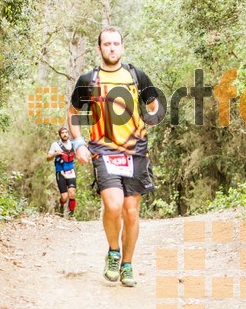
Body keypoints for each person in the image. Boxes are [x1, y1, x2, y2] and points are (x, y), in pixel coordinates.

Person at [67, 27, 165, 286]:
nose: (112, 48)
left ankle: (127, 265)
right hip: (103, 150)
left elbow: (155, 105)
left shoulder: (136, 76)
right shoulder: (89, 80)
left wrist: (150, 117)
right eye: (107, 44)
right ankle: (113, 251)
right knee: (113, 205)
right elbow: (73, 113)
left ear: (122, 47)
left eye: (116, 43)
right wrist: (78, 144)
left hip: (136, 151)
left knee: (131, 211)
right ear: (99, 49)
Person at [47, 125, 77, 218]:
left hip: (71, 171)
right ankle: (61, 207)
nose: (65, 134)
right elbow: (48, 158)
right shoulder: (55, 145)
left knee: (72, 193)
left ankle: (71, 215)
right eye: (62, 133)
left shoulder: (73, 144)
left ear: (68, 134)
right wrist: (56, 154)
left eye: (66, 132)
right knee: (64, 196)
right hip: (60, 172)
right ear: (60, 135)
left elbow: (77, 154)